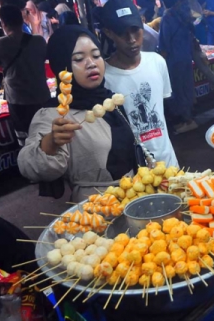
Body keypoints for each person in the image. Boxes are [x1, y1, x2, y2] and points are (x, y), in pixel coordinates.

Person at [18, 26, 137, 201]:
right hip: (95, 207)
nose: (91, 63)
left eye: (96, 55)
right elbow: (30, 167)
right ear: (62, 65)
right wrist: (50, 142)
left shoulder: (110, 100)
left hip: (134, 194)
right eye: (79, 59)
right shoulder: (54, 114)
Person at [101, 0, 179, 167]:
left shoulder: (157, 62)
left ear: (143, 22)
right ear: (108, 32)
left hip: (169, 164)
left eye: (135, 30)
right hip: (134, 173)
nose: (131, 39)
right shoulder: (104, 78)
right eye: (122, 33)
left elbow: (161, 111)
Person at [0, 5, 50, 146]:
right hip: (42, 97)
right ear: (21, 20)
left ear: (4, 24)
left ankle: (30, 164)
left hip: (18, 100)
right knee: (47, 134)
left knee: (26, 139)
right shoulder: (39, 41)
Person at [159, 0, 199, 134]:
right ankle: (190, 117)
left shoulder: (168, 17)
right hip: (186, 57)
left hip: (174, 60)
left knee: (178, 91)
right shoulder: (185, 14)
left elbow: (164, 44)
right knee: (187, 87)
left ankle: (188, 121)